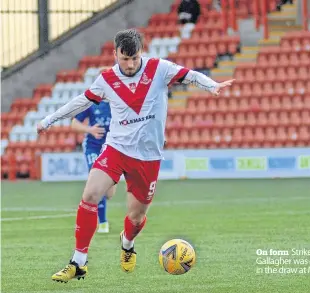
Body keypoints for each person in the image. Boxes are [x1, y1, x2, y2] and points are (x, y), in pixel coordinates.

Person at [38, 28, 234, 283]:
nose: (130, 65)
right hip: (116, 149)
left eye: (134, 58)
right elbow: (80, 102)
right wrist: (49, 119)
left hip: (148, 157)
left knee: (136, 216)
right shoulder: (106, 79)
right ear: (115, 54)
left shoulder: (158, 69)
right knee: (90, 195)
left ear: (141, 52)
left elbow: (190, 75)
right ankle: (78, 262)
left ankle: (127, 243)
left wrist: (212, 86)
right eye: (124, 59)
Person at [72, 97, 115, 233]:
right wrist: (90, 129)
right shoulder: (92, 103)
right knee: (97, 181)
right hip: (93, 148)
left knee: (109, 193)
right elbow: (74, 124)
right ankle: (103, 223)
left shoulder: (118, 101)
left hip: (112, 148)